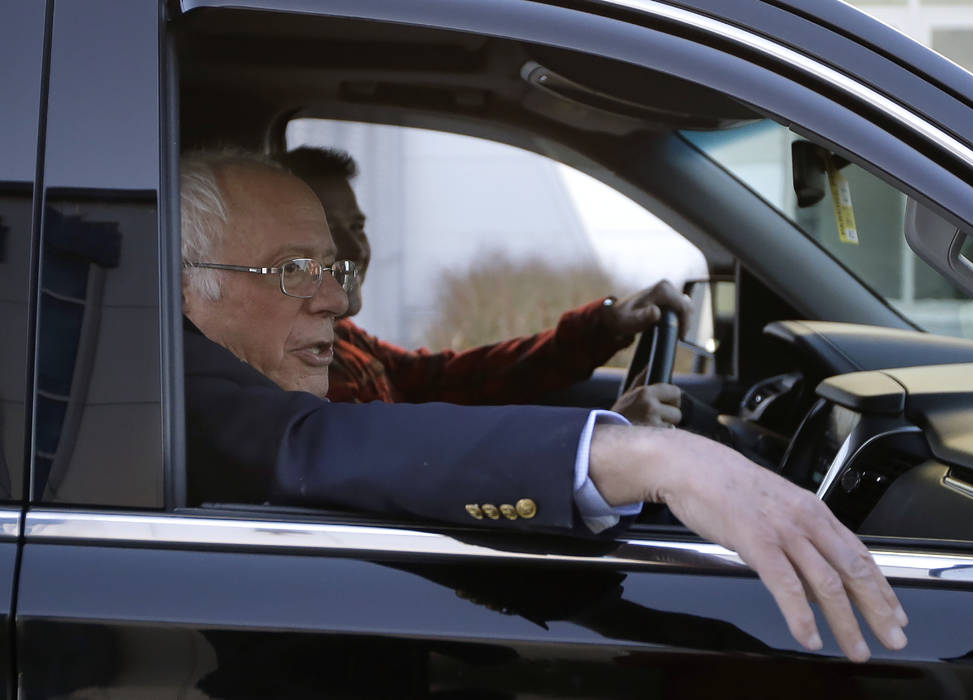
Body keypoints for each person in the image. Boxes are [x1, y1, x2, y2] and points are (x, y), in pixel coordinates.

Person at [180, 150, 908, 664]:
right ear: (185, 288)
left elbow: (446, 379)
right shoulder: (177, 381)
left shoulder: (340, 346)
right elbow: (323, 444)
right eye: (295, 269)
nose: (336, 295)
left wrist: (596, 331)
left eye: (333, 262)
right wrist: (640, 454)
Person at [276, 146, 685, 427]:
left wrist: (605, 324)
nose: (354, 249)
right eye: (328, 231)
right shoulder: (293, 366)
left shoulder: (341, 337)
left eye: (357, 226)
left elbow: (445, 379)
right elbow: (417, 458)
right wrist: (605, 443)